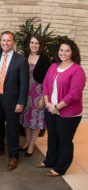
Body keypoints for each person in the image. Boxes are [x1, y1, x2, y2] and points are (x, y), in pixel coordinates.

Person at [36, 38, 85, 177]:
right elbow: (45, 85)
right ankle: (50, 160)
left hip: (68, 113)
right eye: (61, 50)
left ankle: (60, 168)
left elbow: (74, 94)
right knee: (52, 136)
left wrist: (57, 107)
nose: (63, 53)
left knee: (64, 140)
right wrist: (47, 102)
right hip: (50, 109)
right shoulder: (53, 66)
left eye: (67, 50)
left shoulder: (77, 70)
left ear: (72, 52)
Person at [0, 31, 29, 170]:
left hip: (13, 101)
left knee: (12, 129)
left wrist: (21, 102)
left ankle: (13, 155)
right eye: (4, 40)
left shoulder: (21, 60)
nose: (6, 43)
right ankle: (0, 147)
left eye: (9, 40)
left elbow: (24, 84)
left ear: (13, 42)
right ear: (1, 42)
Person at [20, 34, 50, 156]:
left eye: (37, 43)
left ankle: (32, 144)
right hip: (25, 94)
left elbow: (48, 81)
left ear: (40, 45)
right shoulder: (24, 58)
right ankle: (27, 141)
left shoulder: (44, 60)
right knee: (26, 119)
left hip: (38, 94)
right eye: (32, 42)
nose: (34, 45)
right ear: (29, 44)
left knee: (36, 120)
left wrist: (43, 98)